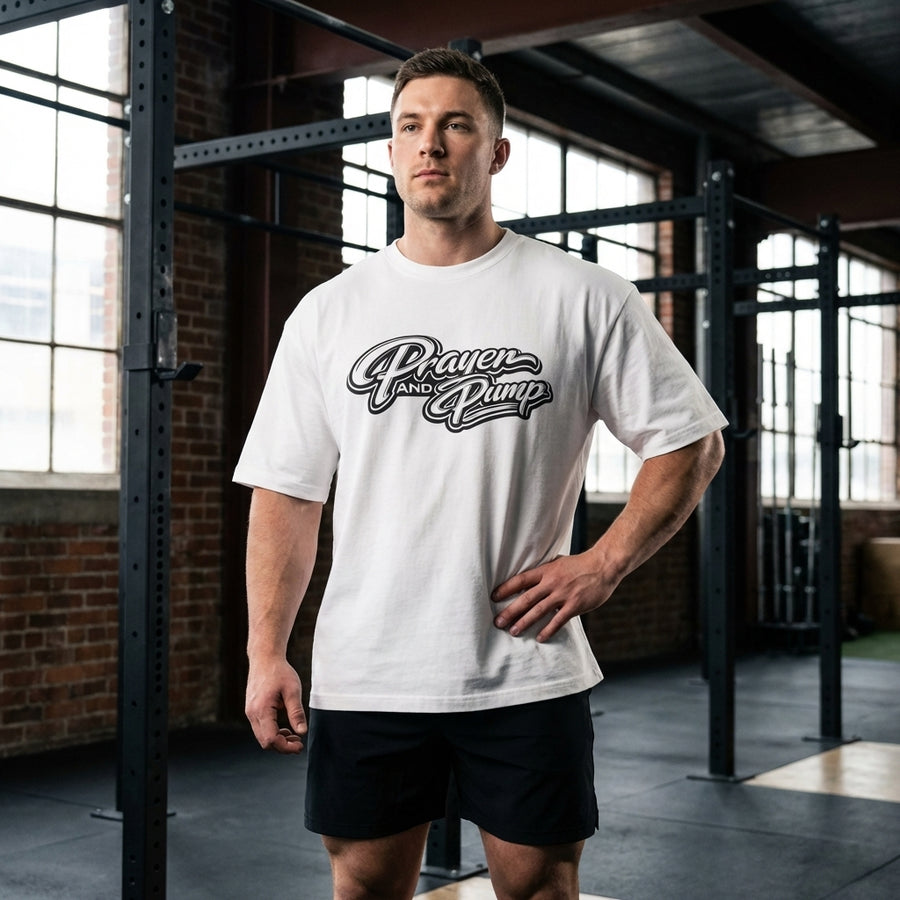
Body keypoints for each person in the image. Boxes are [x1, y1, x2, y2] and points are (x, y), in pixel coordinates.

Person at [234, 47, 726, 900]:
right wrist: (265, 650)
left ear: (495, 153)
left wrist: (602, 563)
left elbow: (691, 441)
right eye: (412, 127)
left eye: (457, 125)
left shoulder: (582, 295)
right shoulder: (330, 313)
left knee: (539, 888)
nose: (432, 144)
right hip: (370, 667)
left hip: (525, 665)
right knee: (364, 886)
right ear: (390, 154)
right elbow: (287, 492)